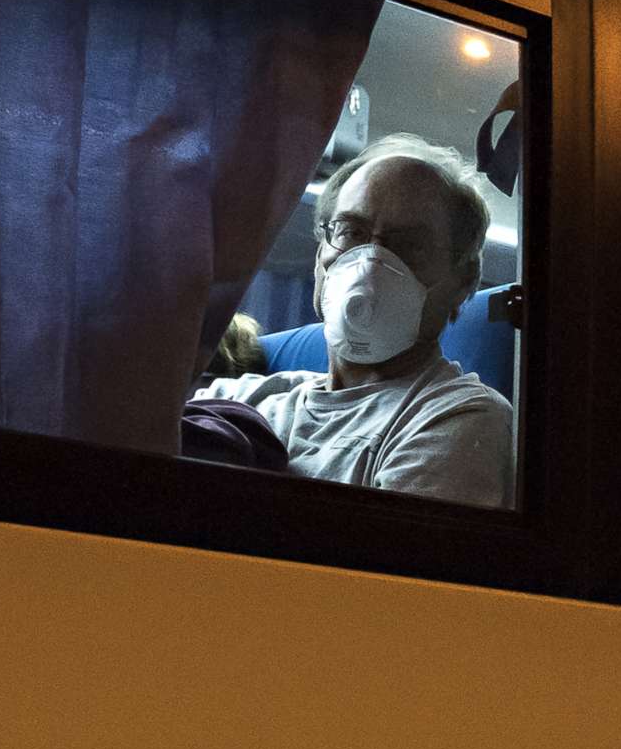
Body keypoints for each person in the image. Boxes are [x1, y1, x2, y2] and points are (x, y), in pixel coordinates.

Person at [192, 135, 514, 507]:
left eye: (409, 244)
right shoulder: (239, 398)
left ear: (462, 282)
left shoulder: (459, 417)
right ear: (320, 258)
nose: (370, 263)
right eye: (351, 232)